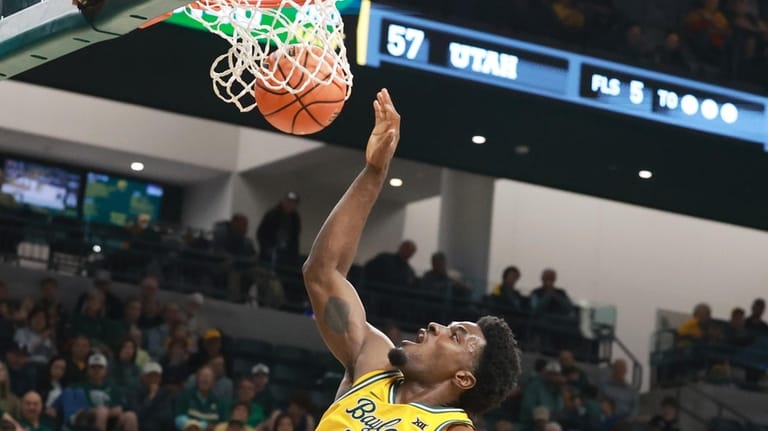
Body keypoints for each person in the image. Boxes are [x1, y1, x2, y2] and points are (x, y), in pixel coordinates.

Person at [301, 89, 522, 431]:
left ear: (464, 378)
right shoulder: (372, 367)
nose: (436, 326)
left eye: (455, 336)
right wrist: (374, 173)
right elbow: (322, 273)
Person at [257, 193, 301, 267]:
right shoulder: (272, 215)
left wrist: (293, 255)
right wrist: (266, 248)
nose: (290, 205)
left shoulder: (295, 219)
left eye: (293, 203)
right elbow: (262, 233)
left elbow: (295, 238)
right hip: (270, 252)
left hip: (286, 255)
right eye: (289, 202)